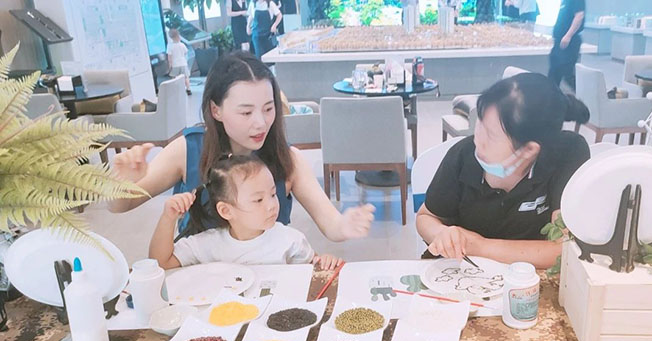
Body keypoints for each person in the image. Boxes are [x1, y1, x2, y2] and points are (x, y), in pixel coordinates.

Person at [110, 51, 374, 243]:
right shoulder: (187, 150)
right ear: (216, 110)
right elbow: (118, 207)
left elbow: (331, 224)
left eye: (268, 108)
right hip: (199, 279)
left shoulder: (287, 158)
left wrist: (345, 225)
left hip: (266, 279)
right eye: (246, 112)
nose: (261, 123)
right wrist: (122, 183)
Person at [415, 73, 591, 269]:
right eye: (480, 123)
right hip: (461, 270)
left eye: (491, 135)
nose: (478, 139)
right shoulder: (463, 156)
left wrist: (480, 246)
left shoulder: (567, 153)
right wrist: (442, 234)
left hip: (526, 277)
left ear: (529, 150)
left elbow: (563, 248)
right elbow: (426, 217)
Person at [150, 154, 342, 270]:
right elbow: (161, 263)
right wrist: (168, 218)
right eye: (258, 200)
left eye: (273, 194)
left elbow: (314, 270)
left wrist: (325, 262)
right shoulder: (208, 244)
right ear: (226, 210)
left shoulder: (290, 240)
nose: (271, 205)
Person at [548, 0, 585, 91]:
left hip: (569, 43)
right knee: (554, 73)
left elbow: (579, 16)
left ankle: (582, 94)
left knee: (566, 74)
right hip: (559, 41)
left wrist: (568, 36)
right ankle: (552, 96)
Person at [167, 28, 192, 95]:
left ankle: (176, 90)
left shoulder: (170, 46)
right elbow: (186, 52)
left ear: (170, 37)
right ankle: (188, 89)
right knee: (186, 77)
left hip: (175, 65)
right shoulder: (182, 45)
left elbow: (169, 58)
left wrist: (170, 66)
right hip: (183, 63)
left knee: (174, 78)